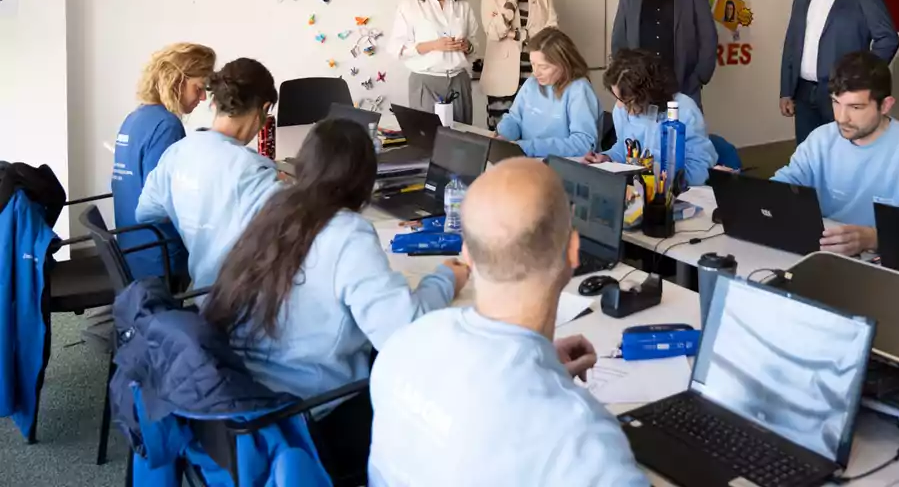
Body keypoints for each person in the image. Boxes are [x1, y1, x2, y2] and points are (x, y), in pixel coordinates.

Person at [204, 118, 469, 480]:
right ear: (364, 178)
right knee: (433, 396)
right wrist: (446, 278)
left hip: (244, 405)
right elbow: (403, 334)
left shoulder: (275, 209)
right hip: (310, 418)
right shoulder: (347, 233)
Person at [368, 159, 646, 486]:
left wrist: (539, 367)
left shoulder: (402, 345)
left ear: (466, 254)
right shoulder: (582, 443)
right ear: (573, 251)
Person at [773, 51, 899, 256]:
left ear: (885, 105)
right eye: (836, 102)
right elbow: (780, 188)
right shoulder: (820, 140)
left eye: (856, 107)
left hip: (890, 262)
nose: (842, 118)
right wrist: (736, 187)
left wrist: (874, 238)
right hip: (826, 254)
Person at [136, 58, 280, 290]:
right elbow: (298, 233)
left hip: (205, 295)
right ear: (263, 110)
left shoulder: (176, 152)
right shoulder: (253, 170)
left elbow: (146, 212)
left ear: (214, 103)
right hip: (249, 303)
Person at [780, 0, 898, 145]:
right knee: (809, 157)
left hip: (844, 93)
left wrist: (862, 77)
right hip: (804, 92)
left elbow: (888, 39)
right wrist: (786, 90)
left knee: (844, 157)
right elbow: (792, 42)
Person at [112, 42, 215, 281]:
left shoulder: (134, 118)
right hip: (161, 259)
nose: (202, 97)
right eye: (198, 88)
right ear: (175, 80)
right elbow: (165, 204)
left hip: (131, 250)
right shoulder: (167, 125)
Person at [585, 48, 717, 188]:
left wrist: (660, 177)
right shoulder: (621, 109)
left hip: (674, 195)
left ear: (649, 93)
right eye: (618, 98)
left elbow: (700, 168)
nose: (624, 109)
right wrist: (607, 158)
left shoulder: (683, 109)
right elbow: (625, 148)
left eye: (629, 102)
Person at [611, 0, 717, 107]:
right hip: (640, 92)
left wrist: (699, 77)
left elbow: (708, 38)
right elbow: (619, 44)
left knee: (687, 133)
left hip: (684, 89)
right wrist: (624, 82)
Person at [387, 0, 480, 124]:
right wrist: (433, 45)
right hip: (426, 82)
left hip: (459, 81)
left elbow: (475, 44)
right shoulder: (410, 5)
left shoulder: (462, 6)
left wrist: (467, 46)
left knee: (462, 141)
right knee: (428, 142)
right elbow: (396, 48)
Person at [481, 0, 559, 131]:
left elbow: (552, 33)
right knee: (502, 136)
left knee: (535, 132)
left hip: (536, 75)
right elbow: (494, 32)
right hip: (502, 78)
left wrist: (516, 33)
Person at [496, 28, 600, 157]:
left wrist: (524, 147)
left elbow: (583, 144)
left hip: (561, 167)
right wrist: (502, 136)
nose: (535, 73)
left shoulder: (579, 90)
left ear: (564, 64)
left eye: (543, 67)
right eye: (533, 64)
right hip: (528, 160)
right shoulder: (532, 83)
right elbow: (515, 119)